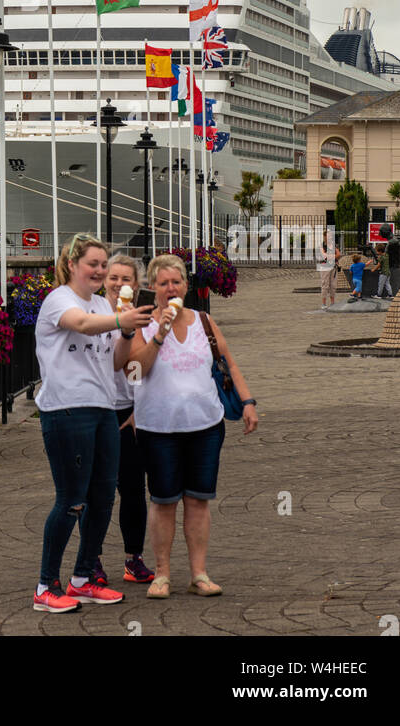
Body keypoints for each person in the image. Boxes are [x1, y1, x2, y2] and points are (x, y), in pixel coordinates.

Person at [33, 234, 153, 613]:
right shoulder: (60, 300)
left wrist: (128, 331)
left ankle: (83, 577)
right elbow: (82, 325)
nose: (100, 271)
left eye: (104, 265)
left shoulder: (102, 302)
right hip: (67, 409)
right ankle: (45, 586)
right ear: (72, 265)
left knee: (102, 497)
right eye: (94, 264)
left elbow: (116, 360)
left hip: (103, 407)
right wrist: (121, 318)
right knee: (72, 499)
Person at [126, 254, 258, 599]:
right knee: (163, 500)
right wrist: (160, 334)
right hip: (158, 428)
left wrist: (247, 402)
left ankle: (199, 573)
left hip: (205, 424)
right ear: (151, 287)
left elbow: (227, 362)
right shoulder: (140, 324)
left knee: (198, 500)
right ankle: (162, 573)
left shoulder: (204, 320)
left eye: (177, 282)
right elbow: (133, 371)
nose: (171, 288)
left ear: (186, 285)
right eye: (164, 283)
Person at [90, 255, 154, 586]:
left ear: (137, 285)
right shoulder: (93, 312)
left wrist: (138, 408)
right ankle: (92, 559)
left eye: (126, 279)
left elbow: (143, 369)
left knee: (132, 489)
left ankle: (134, 558)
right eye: (113, 278)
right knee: (97, 490)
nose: (118, 284)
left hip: (130, 409)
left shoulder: (145, 318)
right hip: (99, 409)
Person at [317, 229, 340, 309]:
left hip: (333, 266)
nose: (330, 237)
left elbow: (338, 254)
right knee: (325, 285)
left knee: (333, 285)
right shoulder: (321, 245)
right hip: (324, 267)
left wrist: (330, 257)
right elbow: (324, 256)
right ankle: (323, 303)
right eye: (328, 235)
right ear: (325, 236)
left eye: (331, 235)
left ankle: (333, 302)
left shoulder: (334, 245)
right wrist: (332, 256)